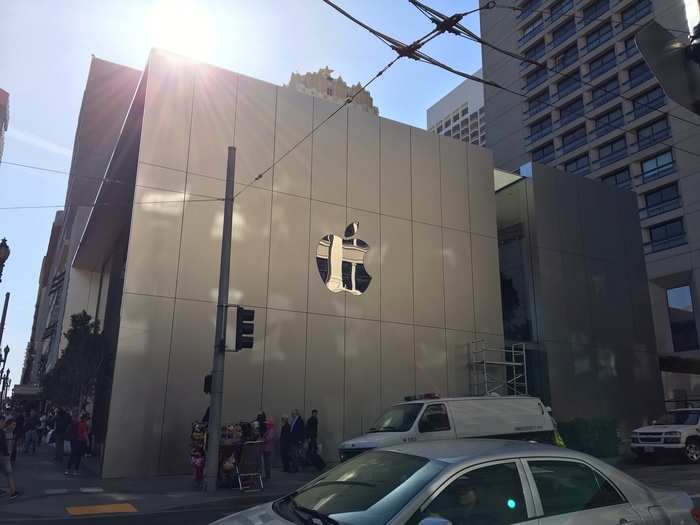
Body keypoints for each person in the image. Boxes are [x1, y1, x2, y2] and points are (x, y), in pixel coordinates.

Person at [0, 416, 19, 499]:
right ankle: (13, 492)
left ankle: (13, 492)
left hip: (4, 455)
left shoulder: (4, 431)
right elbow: (4, 446)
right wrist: (7, 455)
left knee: (8, 473)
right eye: (2, 422)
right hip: (3, 455)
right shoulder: (3, 432)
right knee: (9, 473)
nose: (3, 423)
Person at [65, 411, 88, 476]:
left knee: (72, 455)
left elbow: (68, 430)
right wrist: (87, 441)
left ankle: (67, 469)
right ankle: (75, 470)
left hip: (73, 440)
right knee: (78, 456)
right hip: (80, 441)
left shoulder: (72, 423)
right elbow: (85, 433)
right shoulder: (82, 424)